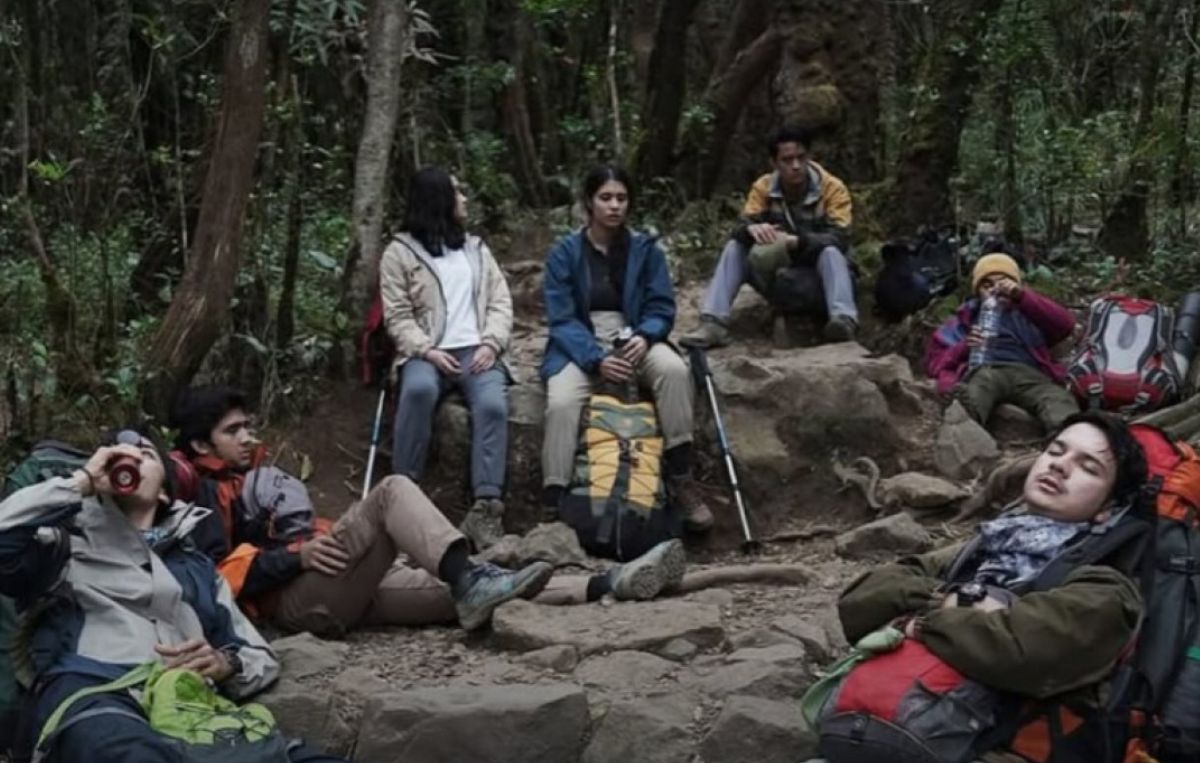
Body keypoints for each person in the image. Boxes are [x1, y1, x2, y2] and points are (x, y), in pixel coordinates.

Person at [171, 386, 691, 639]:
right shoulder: (197, 496)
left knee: (462, 595)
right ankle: (471, 576)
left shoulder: (241, 479)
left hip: (331, 592)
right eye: (232, 430)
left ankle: (609, 584)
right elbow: (216, 575)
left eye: (247, 426)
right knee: (392, 489)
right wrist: (296, 557)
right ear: (199, 443)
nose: (247, 436)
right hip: (293, 601)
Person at [0, 427, 345, 763]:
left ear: (164, 491)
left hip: (192, 709)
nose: (131, 460)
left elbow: (259, 655)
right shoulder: (62, 544)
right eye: (121, 455)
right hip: (96, 696)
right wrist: (83, 483)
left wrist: (226, 663)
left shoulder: (199, 569)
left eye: (145, 454)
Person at [820, 412, 1147, 763]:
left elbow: (1019, 649)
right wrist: (953, 604)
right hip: (887, 731)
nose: (1059, 466)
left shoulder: (1107, 586)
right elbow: (860, 599)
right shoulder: (987, 545)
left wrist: (914, 623)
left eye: (1088, 467)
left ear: (1108, 510)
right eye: (1055, 451)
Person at [539, 166, 715, 532]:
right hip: (582, 342)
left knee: (674, 371)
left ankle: (681, 477)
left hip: (635, 336)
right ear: (589, 202)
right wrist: (596, 359)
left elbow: (662, 305)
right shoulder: (565, 254)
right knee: (561, 400)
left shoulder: (645, 249)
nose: (614, 206)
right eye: (605, 198)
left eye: (621, 198)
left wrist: (646, 335)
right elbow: (562, 318)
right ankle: (554, 500)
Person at [379, 167, 514, 551]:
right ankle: (403, 496)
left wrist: (491, 343)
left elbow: (501, 302)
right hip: (427, 348)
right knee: (419, 390)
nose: (465, 200)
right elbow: (398, 316)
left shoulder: (476, 249)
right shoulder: (399, 253)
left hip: (477, 348)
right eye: (458, 193)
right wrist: (426, 350)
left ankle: (486, 507)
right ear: (438, 199)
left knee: (492, 405)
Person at [683, 125, 856, 347]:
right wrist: (750, 230)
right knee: (735, 247)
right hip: (777, 274)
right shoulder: (763, 187)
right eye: (787, 160)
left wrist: (799, 242)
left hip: (817, 276)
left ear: (809, 157)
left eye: (801, 157)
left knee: (831, 252)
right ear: (774, 163)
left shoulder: (832, 188)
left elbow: (840, 237)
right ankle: (713, 322)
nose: (796, 166)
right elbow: (742, 223)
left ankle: (844, 319)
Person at [925, 251, 1079, 433]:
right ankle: (964, 425)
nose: (995, 290)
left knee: (1055, 397)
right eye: (987, 285)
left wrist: (1021, 295)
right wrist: (965, 347)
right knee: (978, 388)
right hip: (987, 369)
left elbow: (1066, 324)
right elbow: (934, 362)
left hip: (1028, 373)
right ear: (977, 290)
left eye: (1002, 283)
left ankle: (1064, 435)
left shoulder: (1030, 312)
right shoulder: (964, 319)